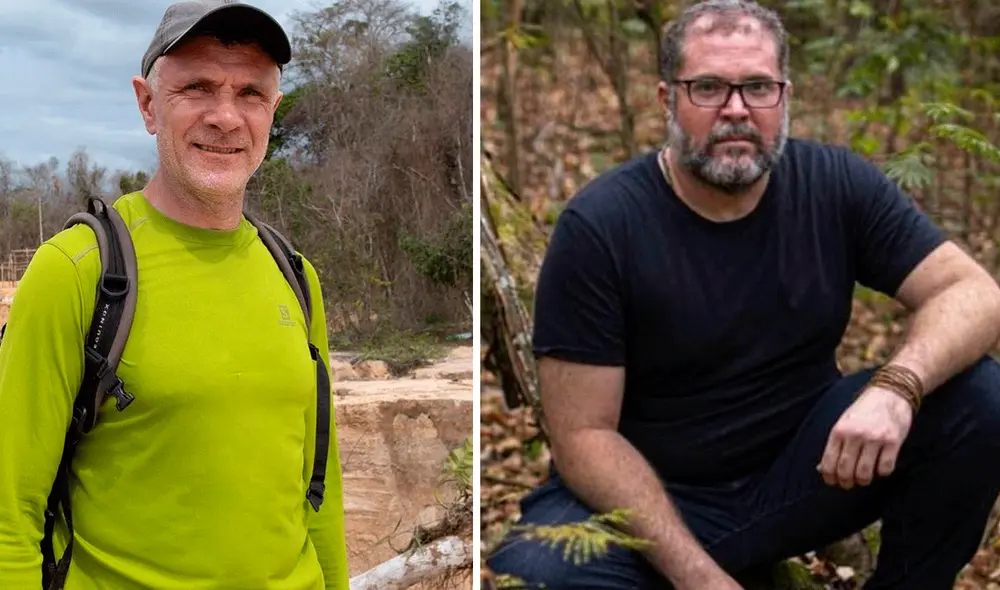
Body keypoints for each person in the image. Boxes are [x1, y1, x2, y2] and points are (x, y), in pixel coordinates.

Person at [486, 1, 1000, 589]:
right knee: (535, 575)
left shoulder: (834, 184)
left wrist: (898, 386)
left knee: (978, 399)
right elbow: (583, 438)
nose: (736, 110)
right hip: (654, 496)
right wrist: (700, 577)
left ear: (785, 96)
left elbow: (975, 292)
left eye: (758, 87)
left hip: (804, 475)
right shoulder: (602, 226)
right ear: (666, 100)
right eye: (707, 87)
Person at [0, 1, 350, 588]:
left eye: (250, 94)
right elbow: (9, 514)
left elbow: (320, 491)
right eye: (197, 87)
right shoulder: (78, 272)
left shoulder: (296, 276)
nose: (225, 117)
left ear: (273, 111)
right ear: (147, 104)